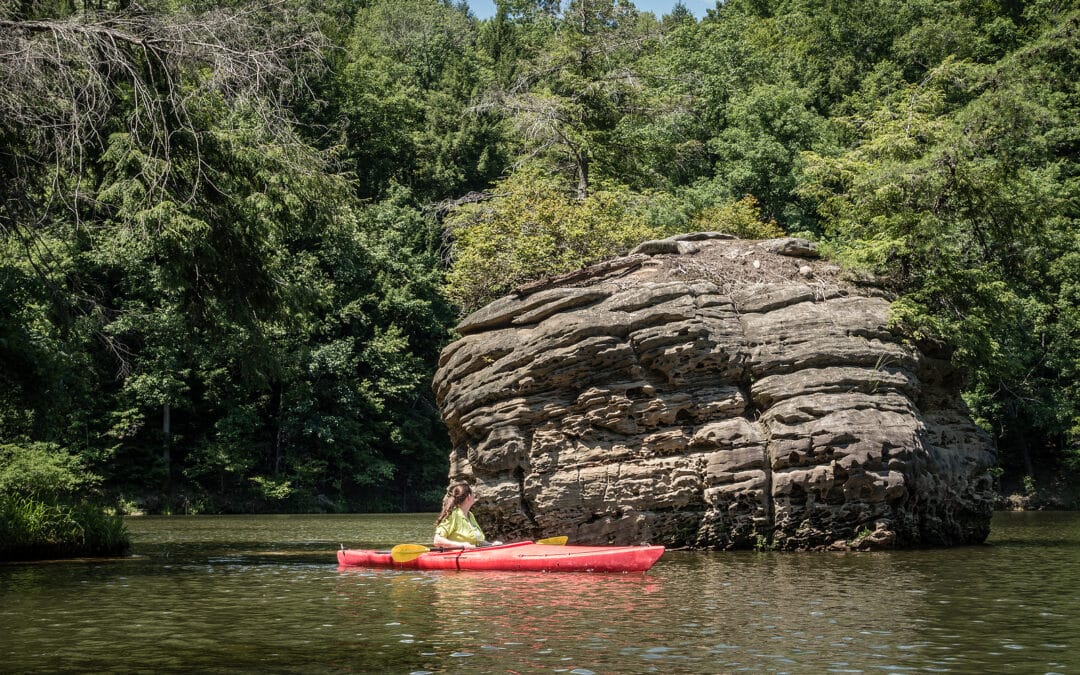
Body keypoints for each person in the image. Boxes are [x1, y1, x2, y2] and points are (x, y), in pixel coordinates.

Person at [433, 483, 501, 549]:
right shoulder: (452, 515)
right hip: (457, 555)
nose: (475, 496)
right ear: (469, 497)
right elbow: (437, 540)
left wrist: (491, 545)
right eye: (473, 494)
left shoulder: (470, 515)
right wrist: (461, 545)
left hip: (474, 554)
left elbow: (478, 541)